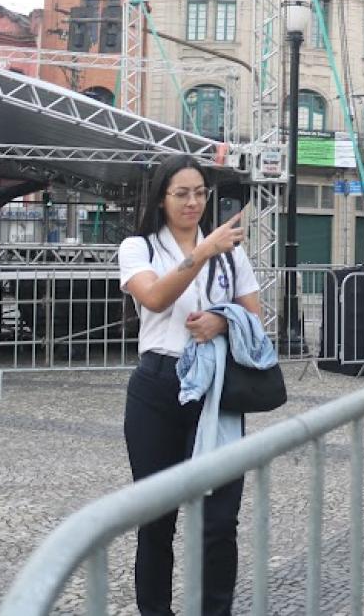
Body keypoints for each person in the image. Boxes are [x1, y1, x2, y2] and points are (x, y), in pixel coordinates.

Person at [118, 155, 261, 616]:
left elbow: (254, 319)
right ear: (161, 198)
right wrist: (202, 252)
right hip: (158, 386)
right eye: (181, 193)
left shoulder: (232, 255)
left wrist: (222, 321)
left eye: (200, 192)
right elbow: (156, 298)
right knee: (156, 518)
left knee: (221, 520)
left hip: (217, 392)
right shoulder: (138, 247)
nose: (193, 202)